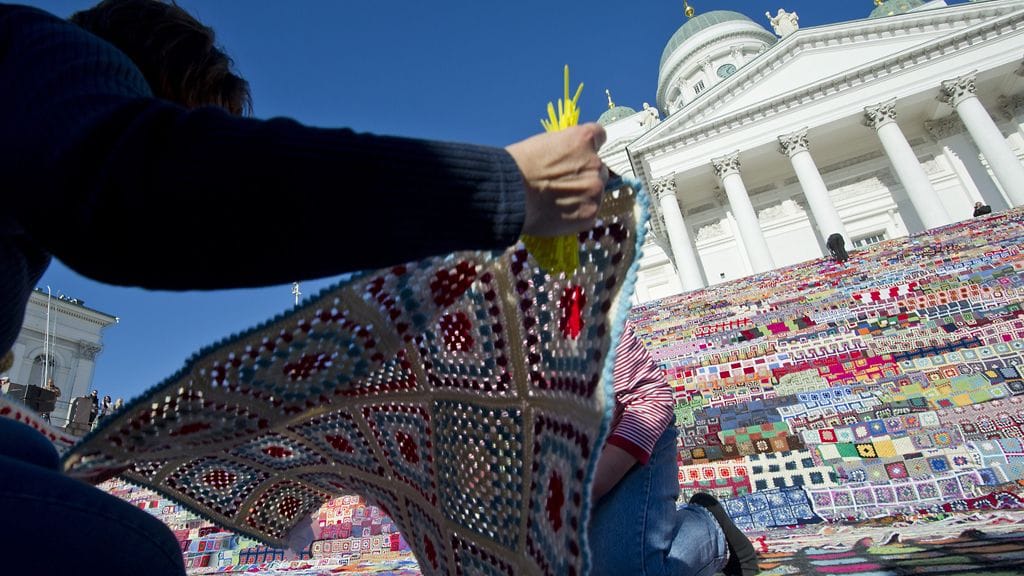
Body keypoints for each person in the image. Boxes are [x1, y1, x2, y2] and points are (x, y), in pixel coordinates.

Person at [0, 2, 609, 575]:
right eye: (191, 132)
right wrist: (510, 186)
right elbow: (158, 186)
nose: (203, 155)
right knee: (127, 553)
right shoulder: (53, 53)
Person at [588, 325, 759, 576]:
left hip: (627, 443)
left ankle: (707, 529)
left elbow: (650, 398)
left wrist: (593, 485)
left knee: (628, 569)